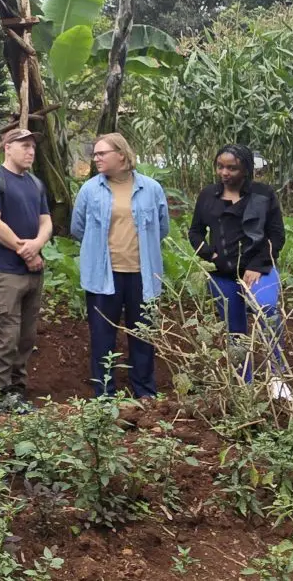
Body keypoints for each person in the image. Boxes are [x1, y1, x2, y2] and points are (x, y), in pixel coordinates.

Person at [71, 133, 169, 400]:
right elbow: (78, 228)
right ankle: (104, 395)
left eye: (102, 153)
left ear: (122, 156)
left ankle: (145, 393)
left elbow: (162, 228)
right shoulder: (91, 189)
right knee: (103, 337)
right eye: (96, 154)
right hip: (103, 276)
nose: (96, 158)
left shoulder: (151, 189)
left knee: (143, 335)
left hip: (142, 275)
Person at [188, 144, 289, 397]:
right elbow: (195, 231)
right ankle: (244, 384)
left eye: (231, 168)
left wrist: (256, 265)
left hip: (259, 270)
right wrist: (209, 253)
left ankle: (276, 377)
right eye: (220, 167)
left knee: (268, 313)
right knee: (235, 329)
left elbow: (276, 235)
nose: (224, 172)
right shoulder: (208, 196)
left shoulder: (263, 194)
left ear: (245, 169)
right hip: (224, 274)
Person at [0, 127, 53, 413]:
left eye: (33, 146)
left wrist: (37, 244)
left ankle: (18, 392)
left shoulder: (35, 183)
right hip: (6, 272)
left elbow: (46, 221)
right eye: (24, 145)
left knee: (26, 336)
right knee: (5, 335)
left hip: (33, 272)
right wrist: (26, 251)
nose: (30, 151)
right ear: (7, 148)